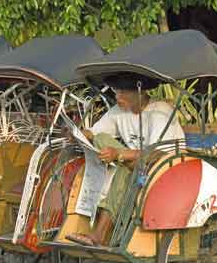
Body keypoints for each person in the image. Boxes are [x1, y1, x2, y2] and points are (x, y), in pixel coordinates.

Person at [66, 73, 185, 246]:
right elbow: (95, 133)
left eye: (123, 92)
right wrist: (77, 135)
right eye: (116, 91)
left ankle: (98, 235)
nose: (117, 96)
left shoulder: (160, 111)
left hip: (165, 165)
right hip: (135, 163)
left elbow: (156, 153)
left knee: (123, 169)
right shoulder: (119, 110)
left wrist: (119, 155)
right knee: (101, 140)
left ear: (140, 92)